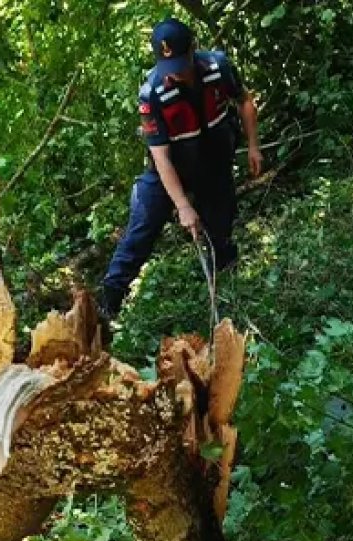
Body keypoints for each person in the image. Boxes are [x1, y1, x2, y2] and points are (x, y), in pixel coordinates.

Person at [97, 17, 262, 323]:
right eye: (168, 68)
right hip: (170, 168)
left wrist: (253, 145)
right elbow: (161, 158)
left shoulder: (218, 67)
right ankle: (107, 306)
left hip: (213, 162)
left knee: (220, 228)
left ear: (193, 51)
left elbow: (245, 101)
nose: (175, 77)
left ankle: (228, 295)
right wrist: (183, 205)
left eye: (180, 67)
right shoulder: (152, 94)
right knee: (142, 226)